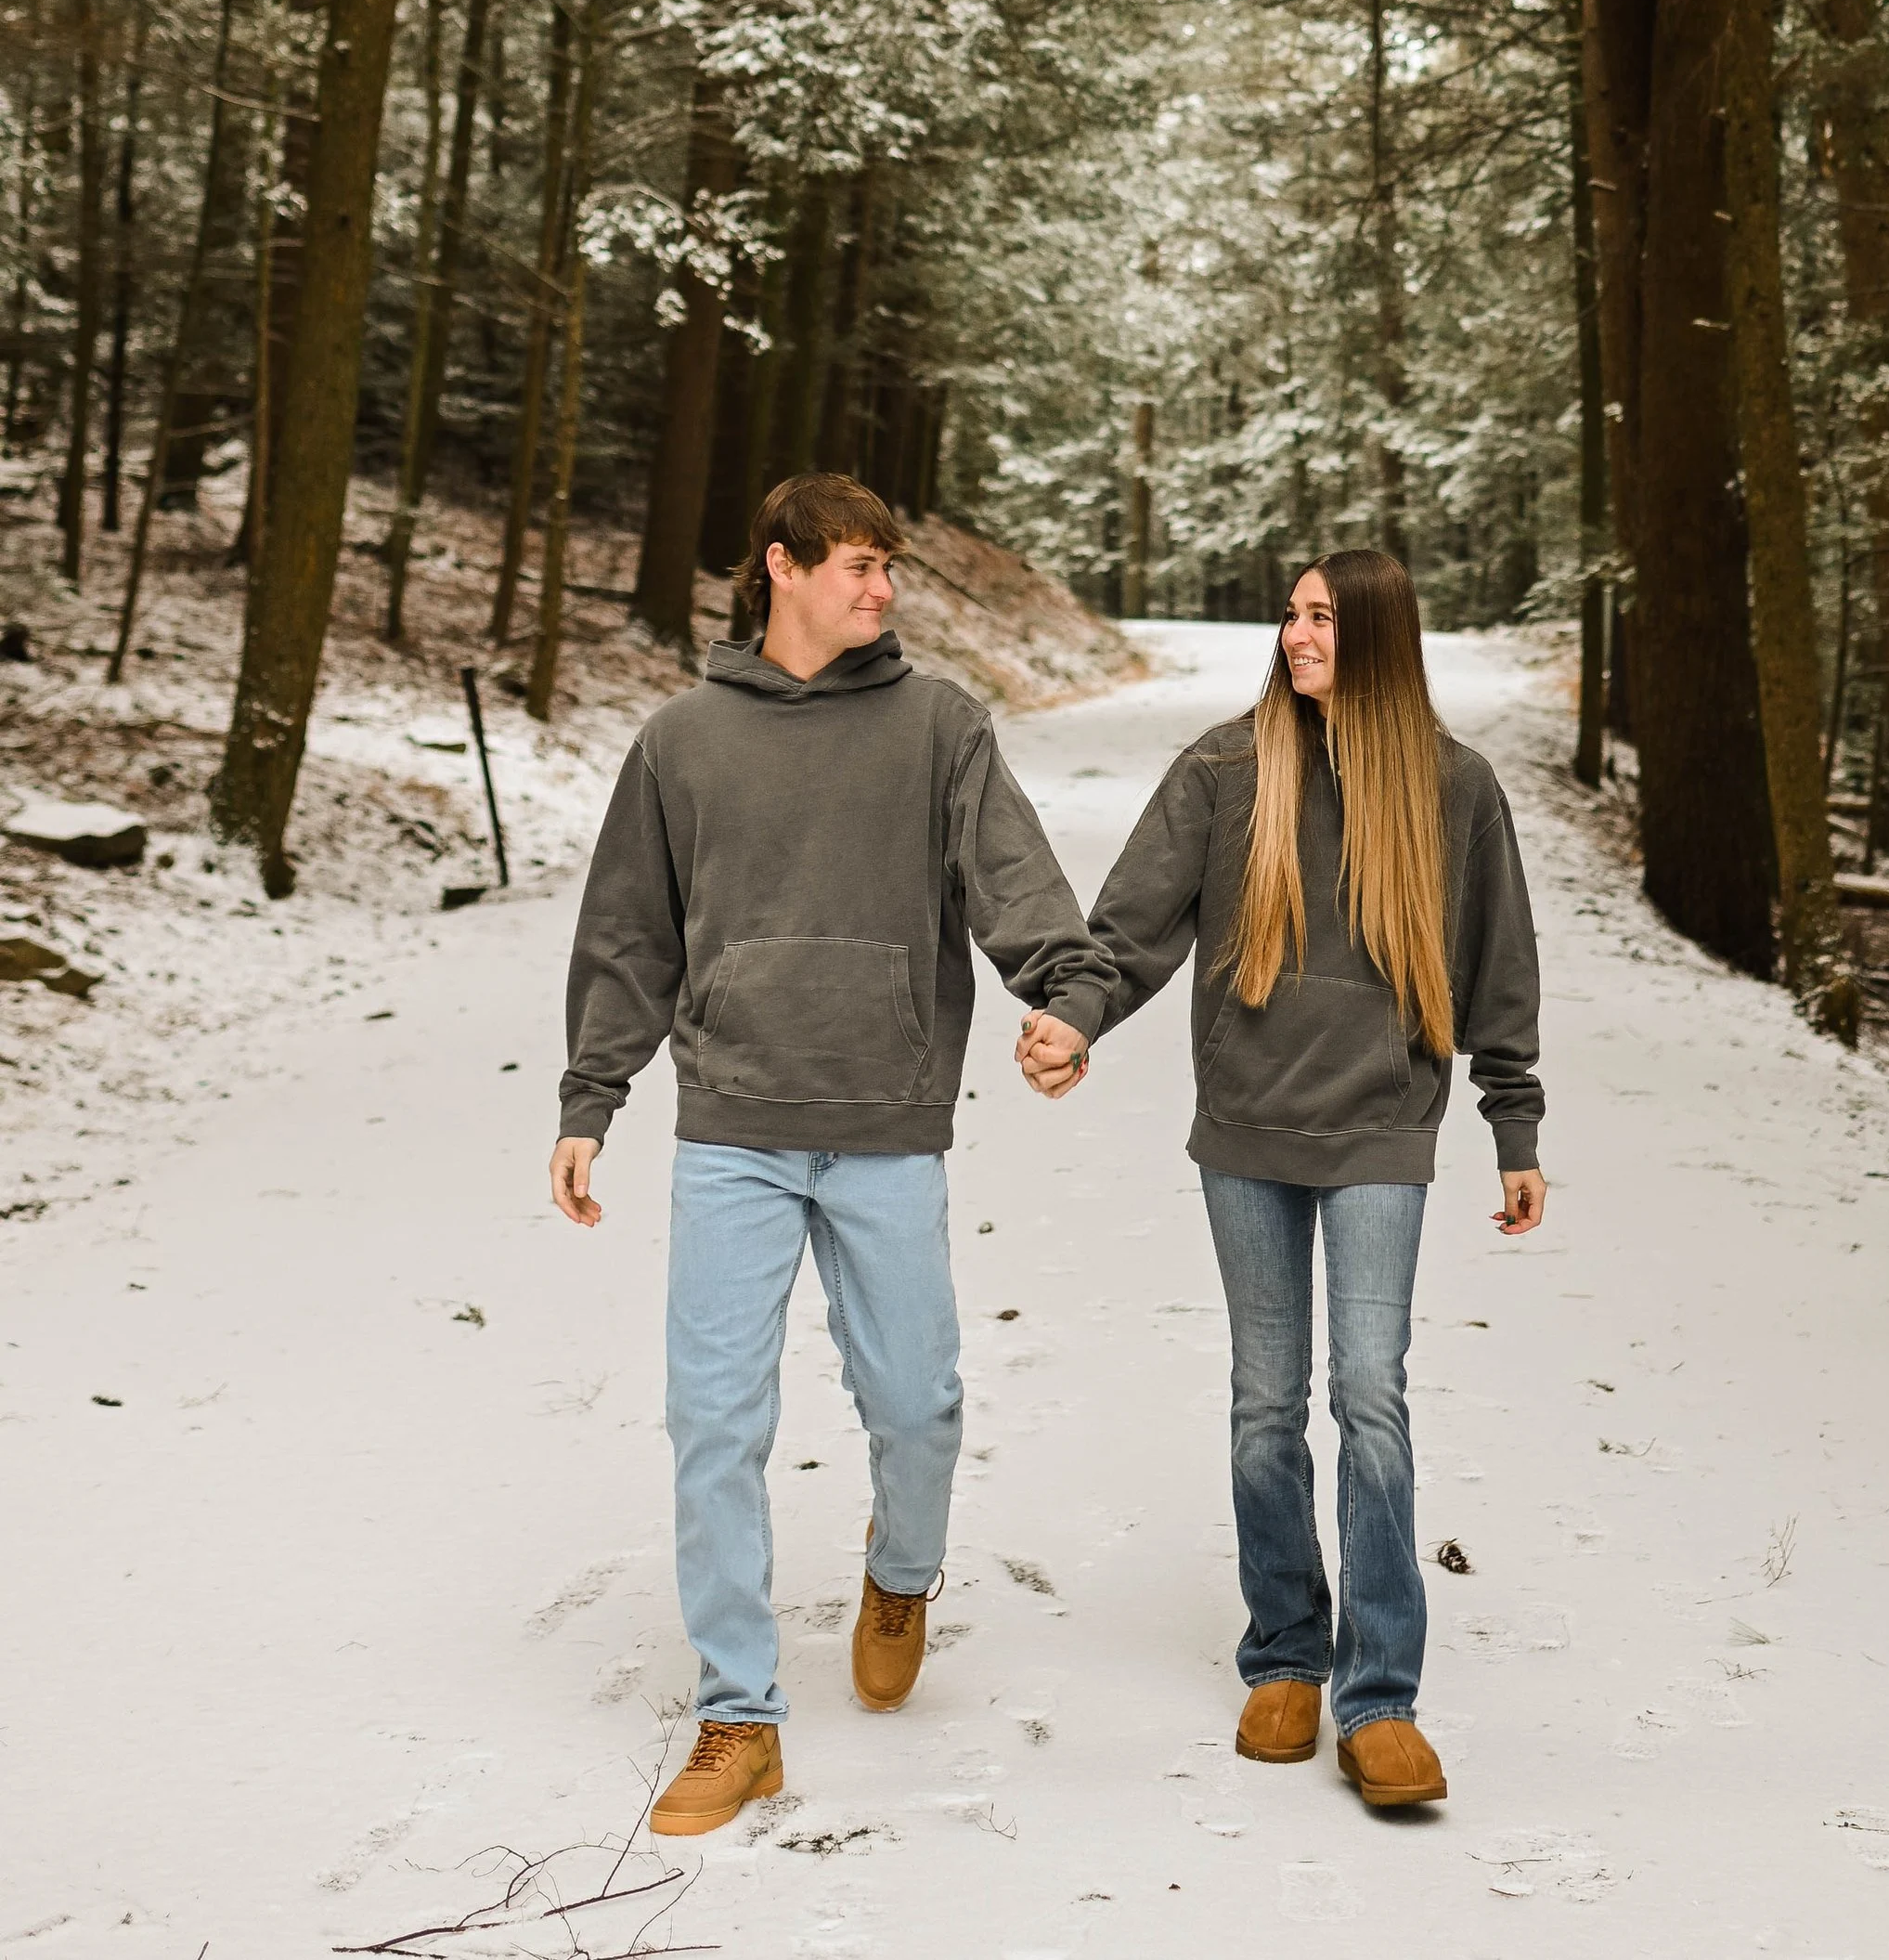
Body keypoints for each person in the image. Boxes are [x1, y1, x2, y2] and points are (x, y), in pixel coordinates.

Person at [551, 472, 1108, 1839]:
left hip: (885, 1123)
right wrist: (588, 1097)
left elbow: (1023, 890)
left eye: (891, 568)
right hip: (733, 1125)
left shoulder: (938, 727)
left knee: (917, 1405)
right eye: (861, 565)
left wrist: (1068, 1000)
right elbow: (631, 933)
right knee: (715, 1425)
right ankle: (740, 1716)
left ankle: (899, 1569)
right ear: (782, 566)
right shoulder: (682, 742)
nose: (885, 589)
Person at [1024, 547, 1543, 1812]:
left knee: (1370, 1395)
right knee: (1267, 1403)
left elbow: (1498, 962)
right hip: (1249, 1130)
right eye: (1293, 613)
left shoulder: (1451, 788)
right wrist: (1075, 1016)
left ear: (1375, 636)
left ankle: (1378, 1696)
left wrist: (1513, 1121)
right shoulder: (1222, 769)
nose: (1296, 632)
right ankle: (1286, 1654)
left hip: (1380, 1128)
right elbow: (1132, 924)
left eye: (1321, 616)